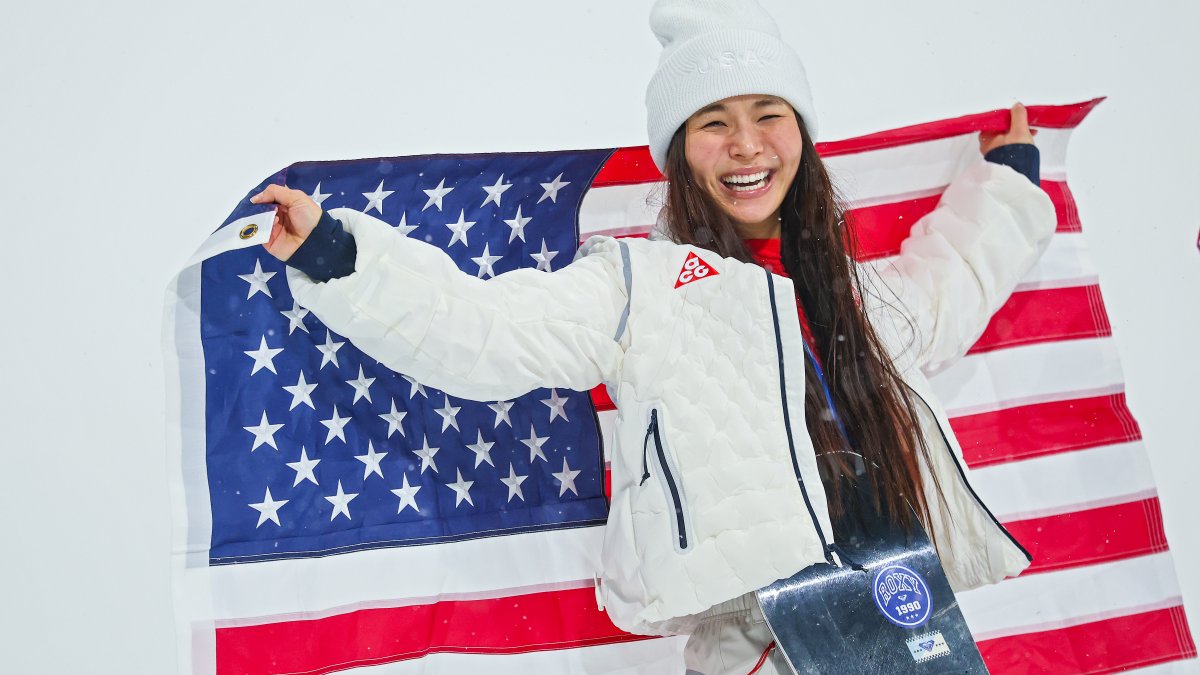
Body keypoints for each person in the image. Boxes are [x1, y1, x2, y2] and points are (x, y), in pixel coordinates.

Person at [251, 1, 1055, 671]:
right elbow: (483, 330)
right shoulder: (641, 287)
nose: (746, 144)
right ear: (677, 152)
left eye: (768, 114)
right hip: (759, 641)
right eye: (714, 122)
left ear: (801, 135)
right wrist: (339, 255)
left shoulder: (853, 295)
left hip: (902, 619)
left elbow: (952, 287)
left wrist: (1010, 179)